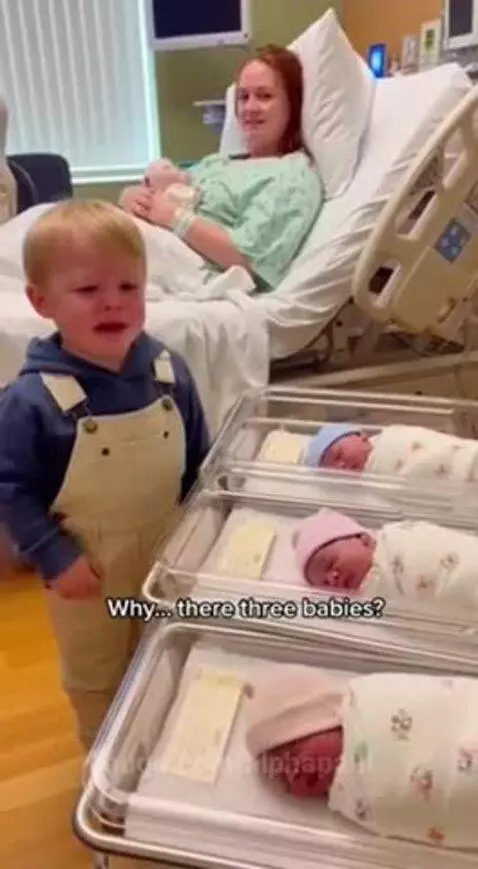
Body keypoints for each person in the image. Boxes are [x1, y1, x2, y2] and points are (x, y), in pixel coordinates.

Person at [0, 199, 210, 750]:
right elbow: (11, 489)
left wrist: (203, 533)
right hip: (86, 573)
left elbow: (198, 461)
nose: (112, 303)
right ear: (41, 302)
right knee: (98, 676)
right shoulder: (32, 400)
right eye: (89, 291)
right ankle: (105, 766)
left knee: (166, 653)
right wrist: (52, 555)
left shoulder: (169, 371)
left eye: (128, 287)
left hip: (166, 556)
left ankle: (159, 754)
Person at [119, 44, 323, 292]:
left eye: (264, 96)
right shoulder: (218, 163)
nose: (250, 107)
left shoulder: (293, 175)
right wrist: (132, 197)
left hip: (190, 267)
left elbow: (250, 259)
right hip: (154, 243)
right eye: (243, 96)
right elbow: (167, 191)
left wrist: (173, 216)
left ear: (293, 104)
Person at [245, 664, 478, 849]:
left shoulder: (371, 704)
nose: (295, 773)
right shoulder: (352, 803)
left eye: (294, 755)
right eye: (284, 779)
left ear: (325, 721)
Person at [294, 508, 478, 607]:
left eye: (331, 564)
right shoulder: (374, 600)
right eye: (324, 584)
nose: (332, 578)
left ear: (362, 538)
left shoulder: (395, 537)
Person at [304, 421, 478, 483]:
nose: (341, 465)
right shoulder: (372, 483)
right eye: (332, 468)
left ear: (361, 436)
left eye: (339, 454)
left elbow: (427, 440)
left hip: (462, 459)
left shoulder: (391, 436)